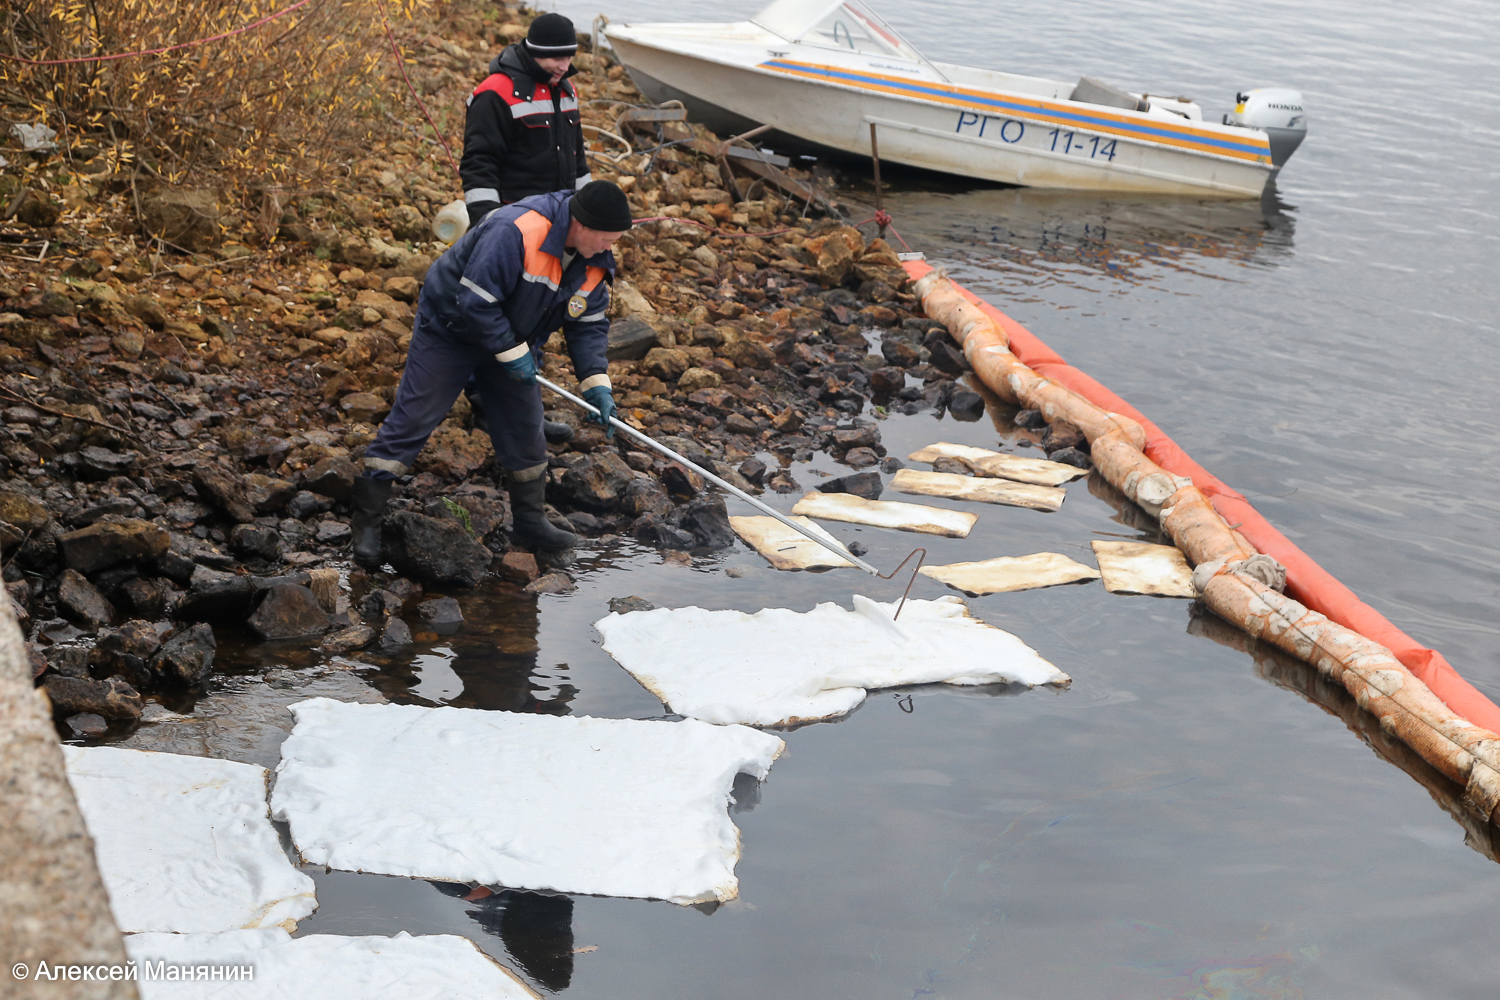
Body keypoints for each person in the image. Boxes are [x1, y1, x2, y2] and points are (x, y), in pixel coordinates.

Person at [349, 181, 632, 565]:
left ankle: (530, 522)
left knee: (527, 429)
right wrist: (513, 354)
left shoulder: (595, 260)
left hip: (514, 334)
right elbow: (475, 301)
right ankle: (366, 521)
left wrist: (596, 383)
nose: (609, 247)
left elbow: (588, 324)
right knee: (414, 418)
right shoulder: (516, 229)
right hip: (451, 328)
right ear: (581, 224)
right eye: (606, 237)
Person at [461, 12, 590, 223]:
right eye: (557, 58)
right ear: (535, 53)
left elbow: (579, 161)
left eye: (569, 58)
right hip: (513, 220)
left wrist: (587, 210)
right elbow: (479, 163)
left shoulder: (566, 90)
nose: (566, 67)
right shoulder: (495, 93)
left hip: (561, 218)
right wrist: (489, 221)